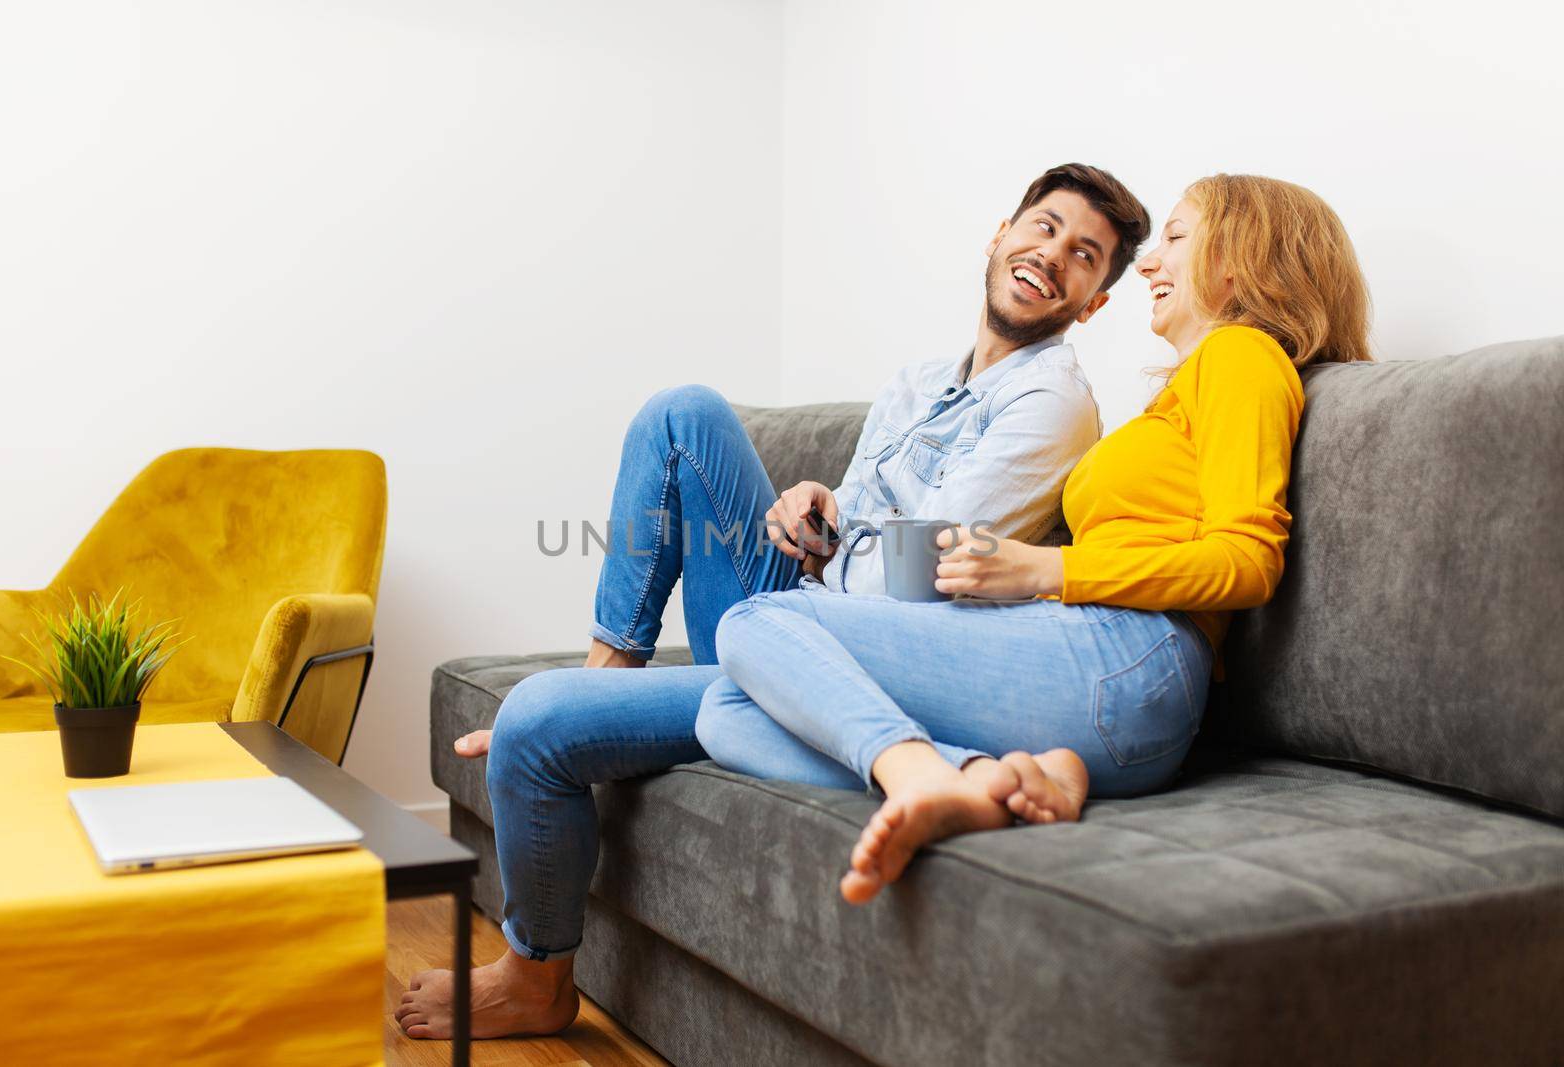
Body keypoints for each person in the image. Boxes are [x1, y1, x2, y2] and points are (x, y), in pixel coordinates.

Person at [394, 162, 1151, 1040]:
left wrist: (841, 545)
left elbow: (923, 573)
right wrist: (814, 512)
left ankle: (536, 978)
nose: (1052, 255)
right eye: (1044, 227)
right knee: (682, 414)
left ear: (1094, 301)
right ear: (1001, 233)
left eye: (1084, 254)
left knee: (536, 723)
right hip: (798, 609)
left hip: (852, 662)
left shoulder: (1052, 400)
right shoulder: (914, 382)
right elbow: (864, 542)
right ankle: (611, 675)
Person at [696, 173, 1373, 904]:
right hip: (1097, 664)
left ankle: (921, 773)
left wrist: (1042, 570)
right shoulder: (1193, 383)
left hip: (1135, 657)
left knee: (759, 620)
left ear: (1240, 258)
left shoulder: (1242, 356)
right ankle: (990, 777)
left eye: (1175, 239)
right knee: (724, 713)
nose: (1149, 263)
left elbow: (1248, 561)